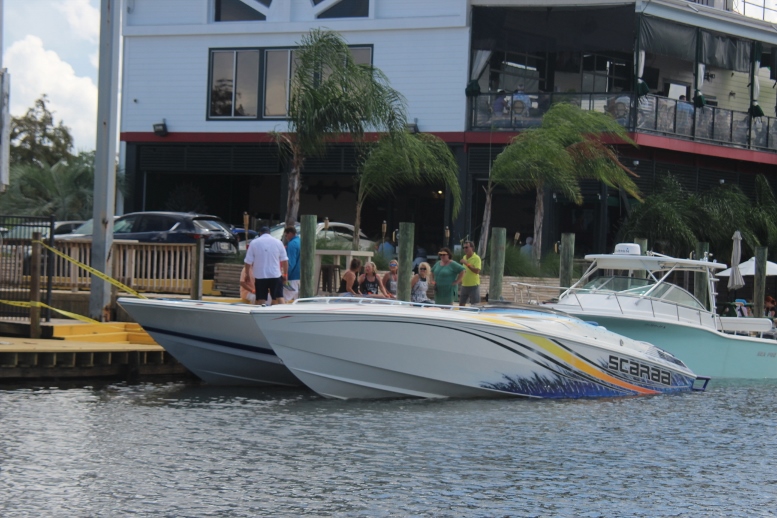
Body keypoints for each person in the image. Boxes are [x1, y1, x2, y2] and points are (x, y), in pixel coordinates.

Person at [243, 226, 288, 305]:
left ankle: (259, 315)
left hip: (260, 276)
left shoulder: (254, 243)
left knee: (261, 299)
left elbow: (248, 261)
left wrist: (247, 274)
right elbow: (284, 260)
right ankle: (283, 314)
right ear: (269, 233)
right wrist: (285, 274)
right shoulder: (278, 242)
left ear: (260, 233)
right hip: (275, 275)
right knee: (279, 297)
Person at [459, 240, 481, 306]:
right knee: (461, 304)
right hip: (464, 285)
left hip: (473, 285)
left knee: (475, 305)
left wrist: (467, 264)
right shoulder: (464, 257)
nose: (465, 249)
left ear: (472, 248)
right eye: (464, 248)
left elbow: (477, 271)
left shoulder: (477, 258)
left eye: (466, 247)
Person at [283, 226, 300, 301]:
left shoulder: (292, 244)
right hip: (301, 276)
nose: (286, 237)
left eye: (286, 235)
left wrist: (285, 274)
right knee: (297, 300)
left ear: (289, 233)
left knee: (285, 298)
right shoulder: (301, 242)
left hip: (293, 277)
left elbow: (291, 263)